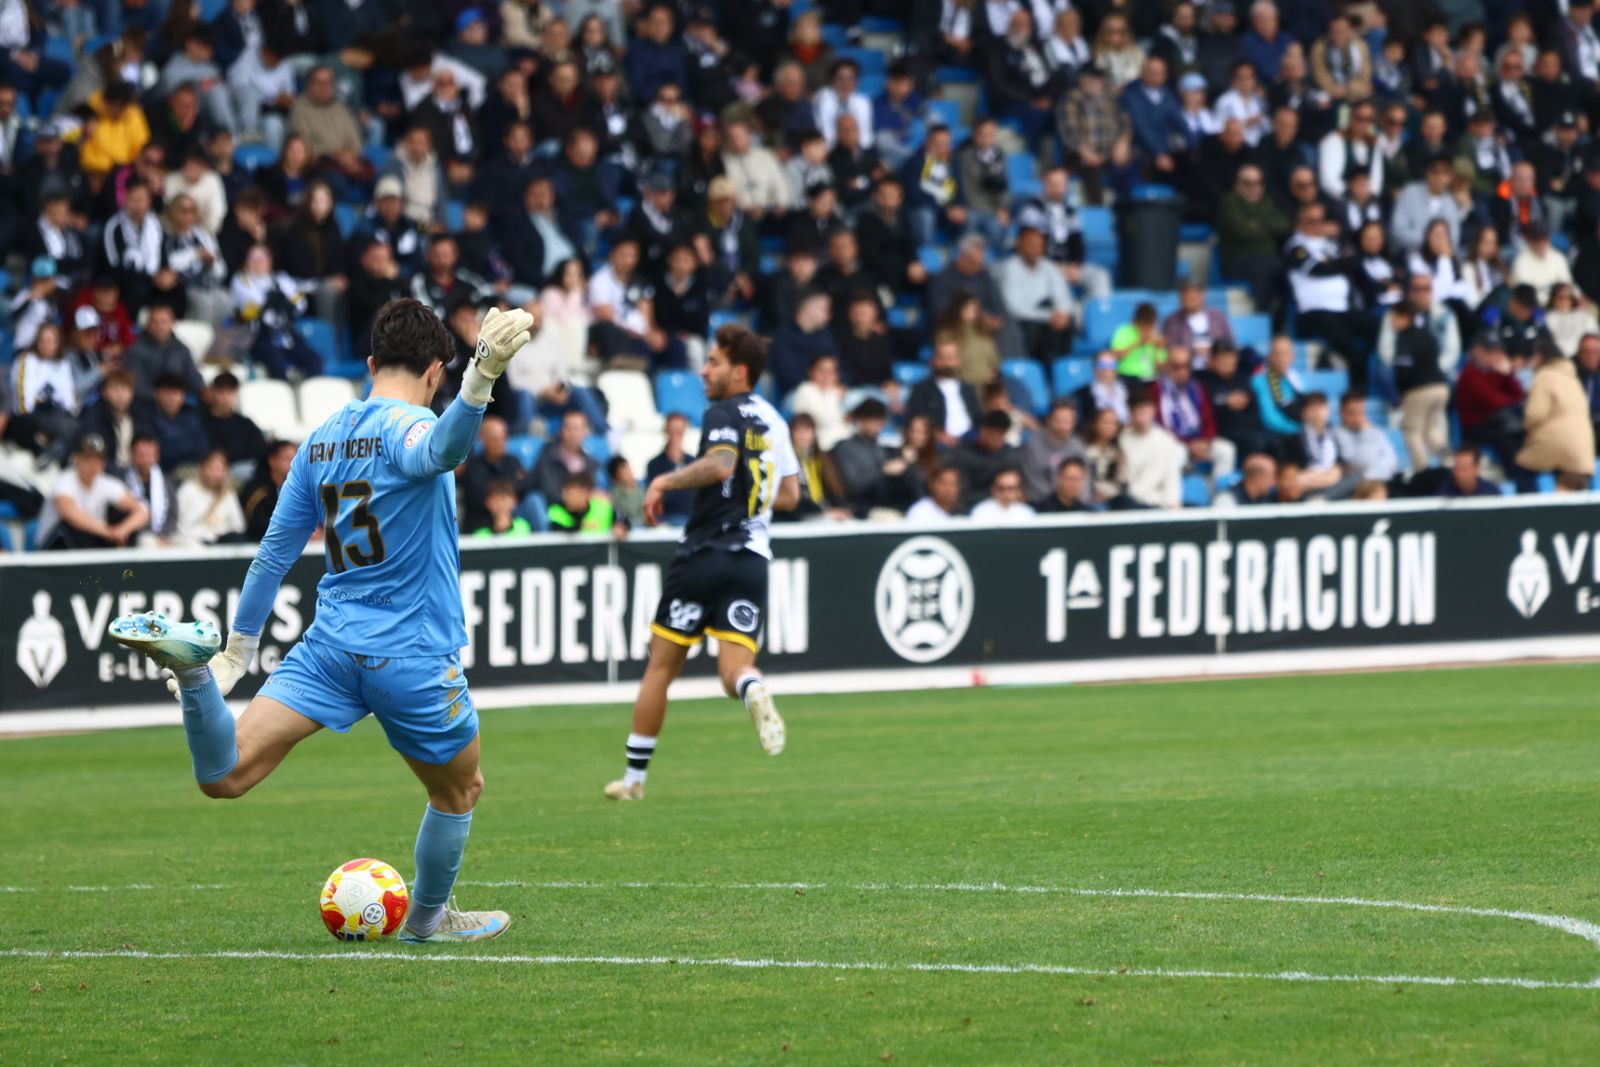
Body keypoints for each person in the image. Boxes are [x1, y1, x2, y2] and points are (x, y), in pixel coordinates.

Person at [107, 298, 535, 943]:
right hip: (410, 654)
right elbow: (440, 451)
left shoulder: (321, 439)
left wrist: (236, 652)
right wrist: (482, 378)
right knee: (459, 791)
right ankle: (426, 923)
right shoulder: (411, 425)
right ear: (435, 372)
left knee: (224, 774)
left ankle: (194, 678)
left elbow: (273, 555)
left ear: (370, 363)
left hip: (329, 648)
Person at [604, 325, 798, 801]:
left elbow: (720, 463)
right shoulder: (775, 420)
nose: (704, 371)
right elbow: (791, 494)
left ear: (740, 371)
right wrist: (752, 496)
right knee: (734, 670)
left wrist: (663, 482)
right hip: (752, 560)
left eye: (714, 362)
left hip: (705, 554)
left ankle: (634, 780)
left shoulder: (721, 411)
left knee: (661, 667)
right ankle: (752, 688)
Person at [994, 217, 1075, 364]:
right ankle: (1032, 368)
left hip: (1048, 319)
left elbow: (1064, 297)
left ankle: (1060, 368)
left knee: (1068, 322)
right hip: (1022, 321)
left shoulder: (1049, 267)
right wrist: (1048, 316)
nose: (1034, 248)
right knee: (1032, 328)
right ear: (1019, 245)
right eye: (1030, 244)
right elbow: (1014, 308)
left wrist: (1062, 314)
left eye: (1038, 245)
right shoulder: (1010, 268)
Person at [1517, 342, 1597, 484]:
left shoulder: (1544, 376)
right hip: (1582, 450)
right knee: (1569, 485)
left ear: (1540, 357)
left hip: (1555, 444)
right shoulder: (1572, 378)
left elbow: (1534, 414)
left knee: (1522, 467)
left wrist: (1524, 425)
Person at [907, 340, 982, 448]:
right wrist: (937, 434)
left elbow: (979, 418)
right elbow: (915, 418)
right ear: (933, 360)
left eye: (950, 358)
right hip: (938, 445)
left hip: (971, 443)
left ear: (958, 360)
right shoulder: (922, 389)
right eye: (942, 358)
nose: (946, 363)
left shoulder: (968, 389)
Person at [1120, 394, 1185, 509]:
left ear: (1152, 411)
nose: (1140, 418)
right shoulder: (1122, 439)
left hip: (1158, 502)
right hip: (1128, 501)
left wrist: (1173, 501)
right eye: (1136, 413)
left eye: (1143, 413)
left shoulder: (1166, 440)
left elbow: (1172, 476)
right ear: (1130, 414)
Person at [174, 447, 248, 546]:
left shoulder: (228, 494)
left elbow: (238, 526)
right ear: (202, 468)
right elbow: (179, 526)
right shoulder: (188, 490)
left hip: (222, 543)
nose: (215, 474)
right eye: (211, 468)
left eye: (220, 469)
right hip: (193, 542)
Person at [1019, 400, 1087, 503]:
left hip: (1073, 502)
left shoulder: (1078, 446)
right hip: (1043, 503)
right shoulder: (1033, 445)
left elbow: (1085, 478)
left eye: (1067, 421)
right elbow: (1033, 481)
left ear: (1074, 423)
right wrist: (1057, 500)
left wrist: (1080, 500)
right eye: (1059, 421)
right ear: (1049, 420)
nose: (1063, 426)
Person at [1332, 393, 1398, 485]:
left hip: (1380, 479)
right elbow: (1360, 462)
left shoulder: (1374, 431)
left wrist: (1370, 474)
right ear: (1341, 413)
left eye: (1361, 412)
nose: (1357, 417)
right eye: (1352, 413)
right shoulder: (1335, 434)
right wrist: (1365, 435)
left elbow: (1391, 460)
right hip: (1353, 484)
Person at [645, 413, 695, 526]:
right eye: (672, 431)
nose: (675, 436)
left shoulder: (693, 462)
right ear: (666, 432)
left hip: (690, 519)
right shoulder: (654, 464)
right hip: (666, 520)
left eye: (679, 432)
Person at [1109, 302, 1167, 382]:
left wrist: (1157, 349)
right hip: (1128, 377)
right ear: (1136, 322)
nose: (1146, 329)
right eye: (1143, 325)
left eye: (1150, 325)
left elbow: (1160, 368)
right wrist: (1138, 343)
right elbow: (1115, 356)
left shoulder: (1156, 336)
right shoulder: (1124, 331)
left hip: (1150, 378)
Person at [547, 471, 616, 535]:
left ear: (587, 493)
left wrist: (619, 528)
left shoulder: (604, 509)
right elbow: (558, 530)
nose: (565, 497)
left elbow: (619, 524)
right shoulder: (556, 511)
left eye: (571, 494)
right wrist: (581, 526)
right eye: (565, 493)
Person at [969, 468, 1035, 523]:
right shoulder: (981, 511)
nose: (1006, 493)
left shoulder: (1026, 513)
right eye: (1001, 488)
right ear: (993, 489)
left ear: (1019, 489)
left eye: (1011, 488)